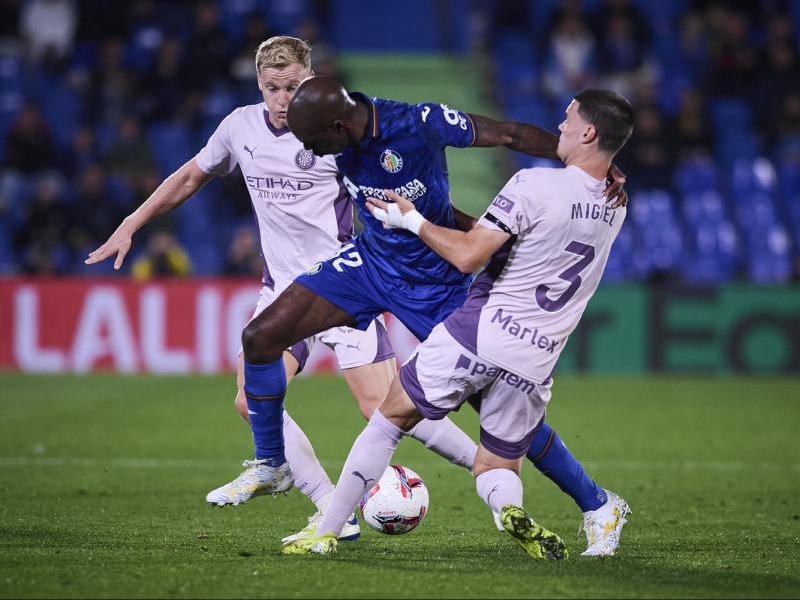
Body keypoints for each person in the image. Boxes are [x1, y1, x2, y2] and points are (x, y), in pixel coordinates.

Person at [85, 36, 479, 542]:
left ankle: (484, 466)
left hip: (345, 283)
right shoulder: (239, 128)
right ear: (258, 85)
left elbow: (400, 199)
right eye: (272, 87)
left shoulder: (332, 135)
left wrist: (475, 233)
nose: (281, 98)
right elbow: (189, 177)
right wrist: (132, 222)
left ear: (310, 83)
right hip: (283, 289)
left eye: (292, 87)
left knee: (383, 406)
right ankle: (328, 506)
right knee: (251, 402)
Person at [245, 76, 629, 551]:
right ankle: (272, 464)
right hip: (369, 262)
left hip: (435, 282)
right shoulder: (330, 139)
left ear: (340, 125)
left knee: (502, 415)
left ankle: (594, 502)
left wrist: (595, 169)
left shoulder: (419, 123)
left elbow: (508, 135)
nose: (314, 152)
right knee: (260, 336)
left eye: (317, 142)